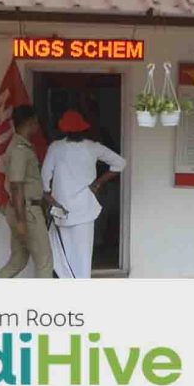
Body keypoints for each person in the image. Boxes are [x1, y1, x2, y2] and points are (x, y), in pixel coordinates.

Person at [43, 110, 126, 279]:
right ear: (83, 129)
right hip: (85, 210)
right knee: (83, 256)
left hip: (62, 210)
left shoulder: (56, 148)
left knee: (63, 256)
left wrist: (47, 194)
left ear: (64, 130)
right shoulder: (93, 147)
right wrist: (98, 183)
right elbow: (120, 163)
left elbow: (45, 176)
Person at [0, 105, 54, 278]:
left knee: (18, 260)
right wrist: (21, 221)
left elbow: (26, 183)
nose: (38, 125)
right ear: (30, 122)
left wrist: (47, 198)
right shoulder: (20, 149)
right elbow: (16, 185)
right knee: (45, 262)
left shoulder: (20, 146)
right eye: (36, 121)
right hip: (27, 212)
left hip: (21, 209)